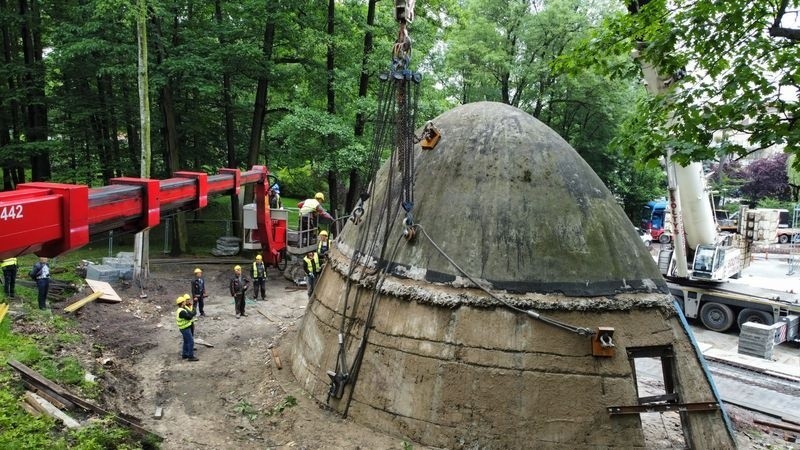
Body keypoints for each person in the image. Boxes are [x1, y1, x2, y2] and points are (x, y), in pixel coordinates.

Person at [176, 294, 199, 361]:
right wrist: (191, 315)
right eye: (184, 301)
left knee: (186, 341)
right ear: (182, 303)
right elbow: (189, 317)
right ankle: (190, 356)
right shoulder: (182, 311)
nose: (185, 302)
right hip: (185, 328)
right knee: (190, 341)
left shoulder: (181, 310)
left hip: (184, 328)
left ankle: (184, 354)